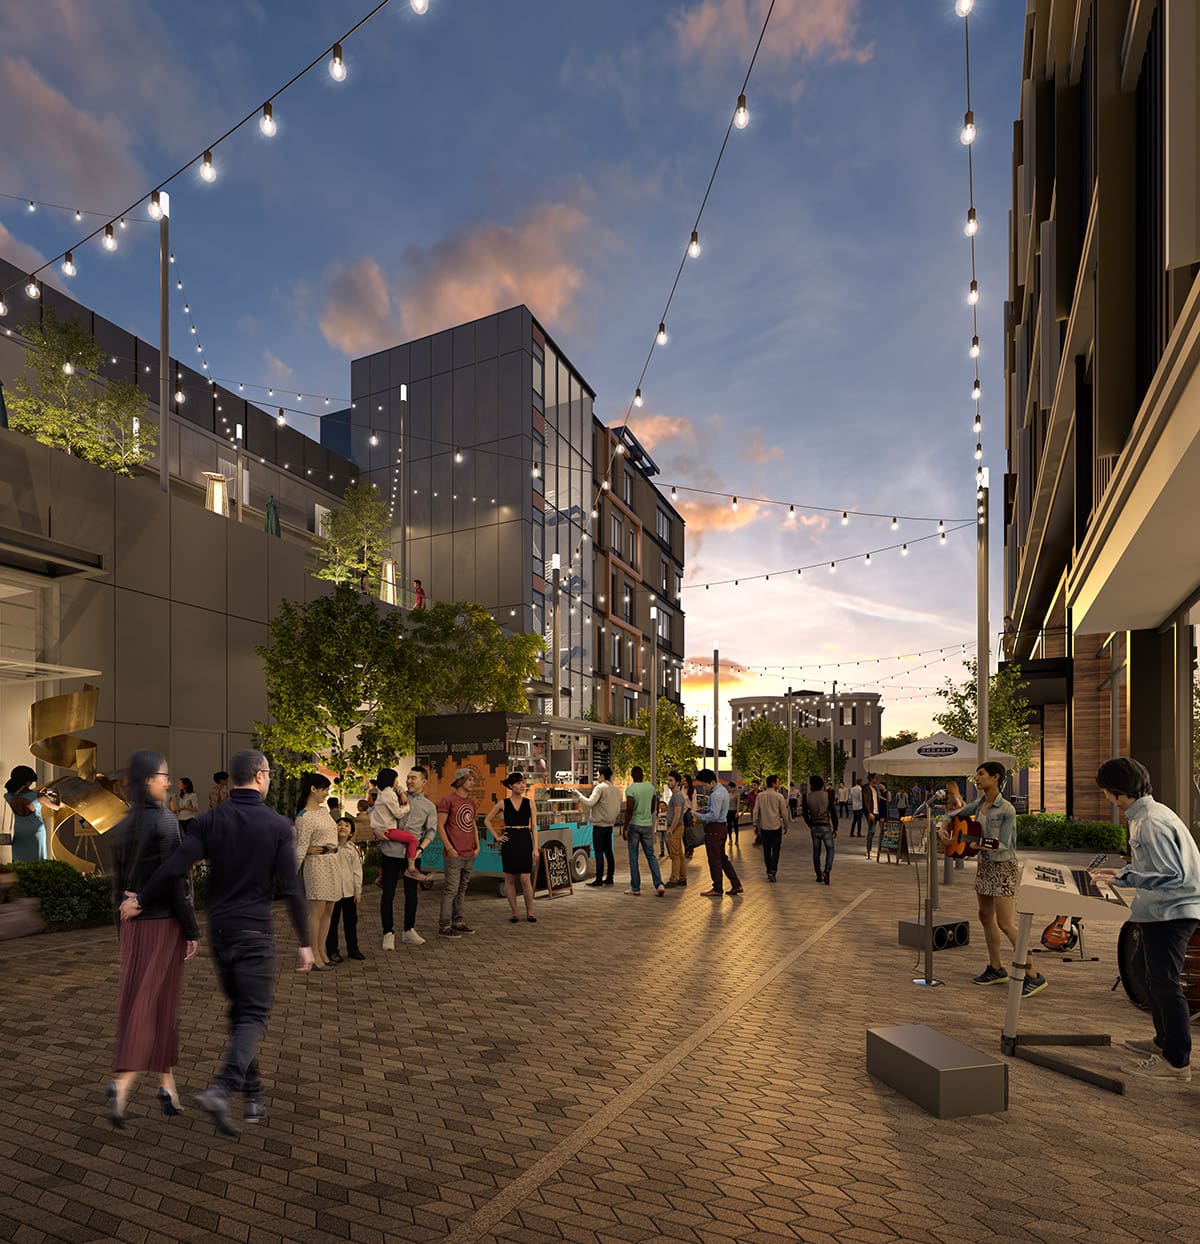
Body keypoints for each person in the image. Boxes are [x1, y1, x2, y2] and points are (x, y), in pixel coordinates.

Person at [120, 748, 313, 1136]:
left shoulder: (209, 822)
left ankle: (253, 1093)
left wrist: (140, 899)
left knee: (241, 1014)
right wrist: (306, 941)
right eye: (270, 774)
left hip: (221, 934)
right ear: (260, 776)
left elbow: (172, 868)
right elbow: (291, 889)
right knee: (253, 1016)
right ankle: (223, 1088)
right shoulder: (278, 826)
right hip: (255, 931)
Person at [1091, 758, 1200, 1084]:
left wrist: (1125, 880)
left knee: (1165, 984)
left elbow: (1172, 874)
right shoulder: (1149, 814)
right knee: (1143, 972)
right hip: (1160, 911)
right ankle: (1162, 1040)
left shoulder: (1151, 822)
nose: (1105, 796)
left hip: (1172, 913)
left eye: (1105, 791)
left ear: (1115, 792)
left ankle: (1177, 1062)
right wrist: (1121, 873)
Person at [105, 750, 199, 1127]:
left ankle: (167, 1085)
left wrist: (121, 931)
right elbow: (174, 881)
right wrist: (192, 930)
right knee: (148, 1004)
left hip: (132, 927)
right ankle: (122, 1083)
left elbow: (117, 887)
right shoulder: (164, 821)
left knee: (153, 1002)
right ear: (148, 781)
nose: (167, 781)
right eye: (162, 776)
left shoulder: (123, 824)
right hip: (162, 924)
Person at [938, 761, 1047, 998]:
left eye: (981, 774)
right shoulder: (981, 803)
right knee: (985, 917)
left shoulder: (1006, 809)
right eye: (977, 774)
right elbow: (956, 812)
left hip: (1002, 866)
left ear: (995, 777)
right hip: (985, 865)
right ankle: (996, 968)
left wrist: (978, 844)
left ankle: (1033, 974)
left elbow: (1004, 844)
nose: (977, 778)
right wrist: (944, 824)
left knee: (1006, 923)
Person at [294, 773, 341, 971]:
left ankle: (322, 950)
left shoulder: (323, 811)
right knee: (316, 911)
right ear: (313, 789)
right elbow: (300, 847)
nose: (326, 794)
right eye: (324, 789)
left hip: (332, 861)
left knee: (329, 909)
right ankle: (312, 953)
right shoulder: (304, 817)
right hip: (317, 865)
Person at [485, 773, 539, 922]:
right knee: (509, 878)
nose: (522, 786)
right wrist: (497, 836)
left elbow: (534, 826)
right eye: (519, 783)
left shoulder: (530, 803)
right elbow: (487, 820)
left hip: (524, 838)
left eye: (523, 783)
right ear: (511, 786)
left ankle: (530, 912)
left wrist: (535, 848)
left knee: (525, 878)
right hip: (509, 839)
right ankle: (514, 912)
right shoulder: (503, 803)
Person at [436, 768, 480, 938]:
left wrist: (477, 846)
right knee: (451, 889)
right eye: (470, 780)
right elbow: (440, 826)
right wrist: (450, 848)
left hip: (469, 853)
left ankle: (458, 921)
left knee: (461, 889)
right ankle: (444, 925)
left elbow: (473, 825)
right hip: (454, 854)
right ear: (461, 781)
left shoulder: (470, 802)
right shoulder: (448, 800)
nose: (473, 783)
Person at [695, 769, 742, 897]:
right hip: (722, 827)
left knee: (714, 859)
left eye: (704, 785)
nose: (704, 788)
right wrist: (704, 811)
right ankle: (736, 883)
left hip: (714, 829)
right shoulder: (723, 792)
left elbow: (714, 815)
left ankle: (717, 888)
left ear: (711, 782)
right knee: (722, 858)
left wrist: (698, 816)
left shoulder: (716, 795)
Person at [325, 815, 364, 964]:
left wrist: (357, 891)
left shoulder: (352, 850)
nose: (342, 827)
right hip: (332, 892)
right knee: (332, 922)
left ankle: (353, 948)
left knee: (351, 921)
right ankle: (332, 950)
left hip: (348, 892)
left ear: (351, 833)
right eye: (339, 824)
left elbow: (357, 871)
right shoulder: (329, 847)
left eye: (346, 826)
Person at [622, 765, 665, 897]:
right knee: (651, 856)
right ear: (642, 775)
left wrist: (625, 827)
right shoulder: (651, 788)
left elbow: (629, 809)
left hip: (634, 825)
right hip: (647, 826)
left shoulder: (631, 789)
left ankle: (635, 887)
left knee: (633, 857)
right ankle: (659, 884)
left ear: (633, 776)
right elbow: (653, 808)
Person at [576, 765, 621, 887]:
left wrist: (578, 795)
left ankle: (599, 879)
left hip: (599, 825)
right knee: (608, 852)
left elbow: (590, 803)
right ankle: (610, 876)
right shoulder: (616, 790)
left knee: (599, 852)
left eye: (597, 775)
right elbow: (618, 808)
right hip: (609, 825)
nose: (597, 777)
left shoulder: (600, 788)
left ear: (602, 775)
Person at [4, 766, 53, 862]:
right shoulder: (38, 796)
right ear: (27, 782)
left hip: (19, 832)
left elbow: (14, 793)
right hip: (36, 831)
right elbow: (56, 806)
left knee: (20, 860)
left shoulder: (8, 796)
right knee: (37, 860)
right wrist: (57, 793)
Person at [802, 774, 838, 885]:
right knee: (830, 849)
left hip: (814, 826)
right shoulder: (827, 796)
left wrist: (810, 824)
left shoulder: (807, 796)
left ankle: (818, 875)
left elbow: (804, 814)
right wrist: (835, 827)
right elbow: (833, 812)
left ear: (811, 785)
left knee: (816, 852)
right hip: (826, 826)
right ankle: (827, 870)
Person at [753, 774, 789, 883]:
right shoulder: (779, 797)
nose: (779, 784)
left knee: (766, 850)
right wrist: (786, 826)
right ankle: (773, 870)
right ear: (773, 783)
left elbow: (755, 811)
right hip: (776, 826)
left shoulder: (760, 796)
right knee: (776, 850)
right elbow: (784, 813)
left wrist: (755, 824)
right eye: (778, 782)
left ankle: (769, 870)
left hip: (764, 827)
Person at [663, 770, 689, 888]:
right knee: (679, 853)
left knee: (674, 854)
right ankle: (682, 877)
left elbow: (677, 815)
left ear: (677, 782)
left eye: (671, 780)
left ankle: (674, 879)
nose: (668, 782)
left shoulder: (677, 796)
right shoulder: (676, 795)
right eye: (668, 780)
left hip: (676, 827)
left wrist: (671, 829)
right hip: (677, 827)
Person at [862, 774, 881, 855]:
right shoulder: (866, 788)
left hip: (876, 812)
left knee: (873, 831)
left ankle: (870, 849)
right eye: (875, 778)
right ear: (871, 779)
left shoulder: (875, 788)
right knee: (871, 830)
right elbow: (866, 801)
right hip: (871, 812)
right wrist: (869, 812)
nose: (877, 779)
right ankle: (868, 850)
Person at [725, 781, 741, 846]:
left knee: (736, 826)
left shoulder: (737, 794)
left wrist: (737, 812)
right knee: (729, 826)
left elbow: (738, 804)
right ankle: (730, 839)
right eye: (728, 788)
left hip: (734, 811)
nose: (729, 789)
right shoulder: (727, 794)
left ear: (733, 788)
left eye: (730, 788)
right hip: (728, 812)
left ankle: (737, 839)